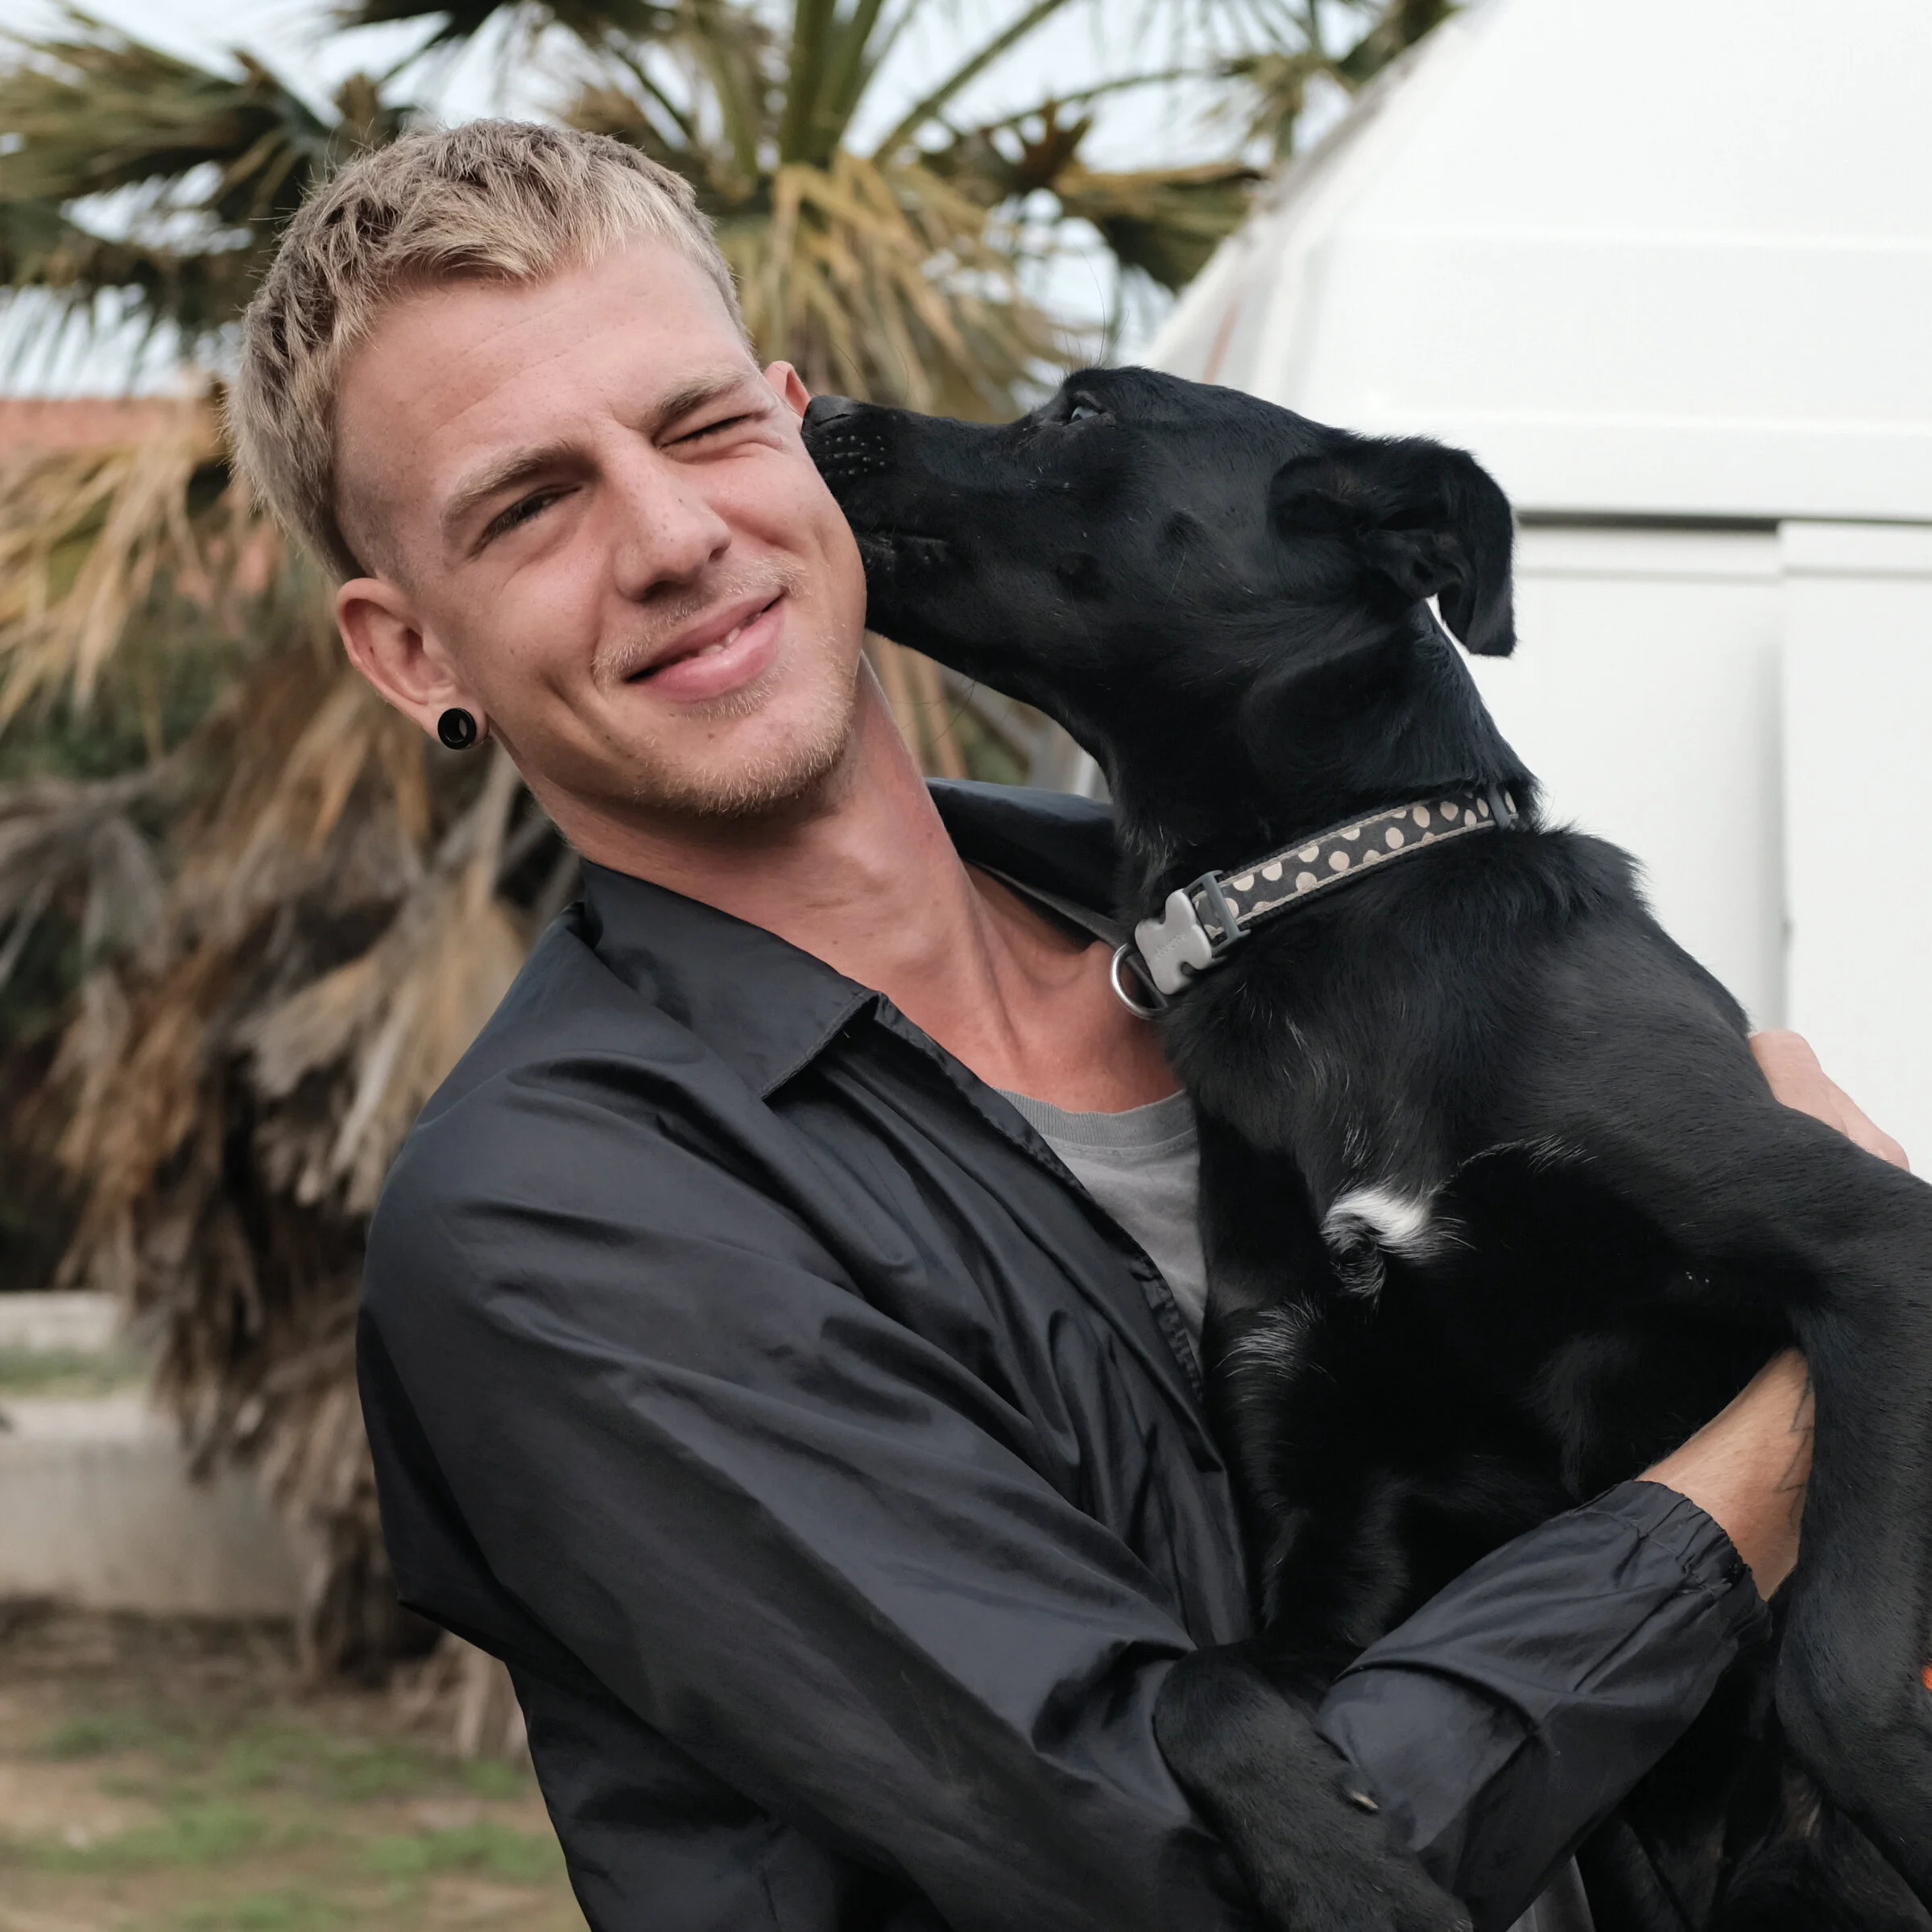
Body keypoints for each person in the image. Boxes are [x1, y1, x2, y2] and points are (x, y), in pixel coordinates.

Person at [228, 121, 1901, 1932]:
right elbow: (1169, 1880)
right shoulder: (556, 1225)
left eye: (699, 425)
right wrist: (1764, 1473)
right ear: (411, 651)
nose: (671, 536)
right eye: (529, 507)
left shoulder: (1281, 938)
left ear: (796, 428)